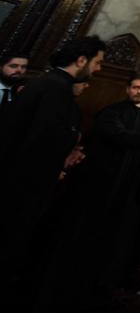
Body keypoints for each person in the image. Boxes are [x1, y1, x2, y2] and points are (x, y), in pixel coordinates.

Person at [0, 36, 104, 307]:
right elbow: (42, 140)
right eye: (97, 62)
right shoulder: (57, 88)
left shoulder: (50, 83)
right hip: (23, 186)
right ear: (81, 60)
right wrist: (61, 160)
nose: (98, 69)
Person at [69, 71, 140, 299]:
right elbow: (117, 135)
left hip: (135, 187)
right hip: (106, 183)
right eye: (135, 87)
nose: (139, 91)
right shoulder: (112, 112)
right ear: (128, 89)